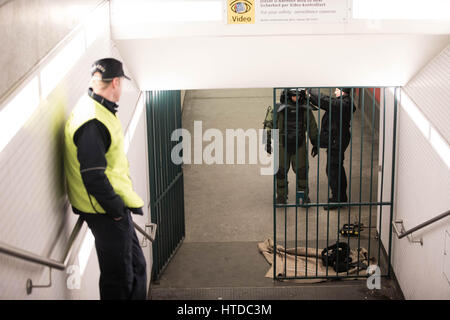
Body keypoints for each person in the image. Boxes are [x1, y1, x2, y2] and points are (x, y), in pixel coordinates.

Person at [64, 58, 147, 299]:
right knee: (118, 280)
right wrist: (117, 210)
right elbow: (93, 176)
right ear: (116, 83)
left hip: (112, 209)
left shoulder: (96, 108)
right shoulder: (93, 121)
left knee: (136, 267)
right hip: (106, 212)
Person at [264, 89, 319, 204]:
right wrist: (267, 141)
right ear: (288, 96)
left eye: (298, 96)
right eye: (294, 96)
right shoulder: (279, 108)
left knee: (302, 172)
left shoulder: (305, 109)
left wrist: (316, 142)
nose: (296, 98)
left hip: (300, 145)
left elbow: (312, 126)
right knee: (280, 172)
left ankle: (303, 196)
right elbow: (269, 123)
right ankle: (281, 196)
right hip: (282, 145)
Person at [307, 88, 356, 210]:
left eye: (337, 90)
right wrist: (310, 96)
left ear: (343, 91)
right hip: (337, 139)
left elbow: (325, 101)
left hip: (337, 140)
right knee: (336, 167)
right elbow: (325, 102)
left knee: (333, 169)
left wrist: (310, 91)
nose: (335, 92)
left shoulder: (343, 104)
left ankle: (337, 199)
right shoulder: (342, 103)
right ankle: (341, 197)